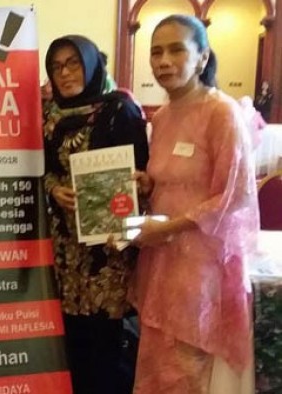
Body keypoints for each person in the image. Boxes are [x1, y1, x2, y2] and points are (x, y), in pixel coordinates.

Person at [131, 14, 259, 393]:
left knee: (188, 369)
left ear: (201, 58)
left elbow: (236, 195)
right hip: (161, 263)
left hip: (201, 269)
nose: (163, 61)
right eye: (156, 52)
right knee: (157, 362)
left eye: (176, 50)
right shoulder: (164, 115)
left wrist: (168, 228)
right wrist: (149, 182)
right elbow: (178, 179)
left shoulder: (221, 113)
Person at [43, 35, 149, 394]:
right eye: (56, 66)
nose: (65, 73)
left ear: (90, 64)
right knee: (72, 333)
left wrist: (142, 183)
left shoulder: (119, 110)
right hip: (65, 246)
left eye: (73, 62)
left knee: (105, 336)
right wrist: (54, 188)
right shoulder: (49, 115)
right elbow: (38, 170)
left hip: (108, 247)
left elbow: (144, 172)